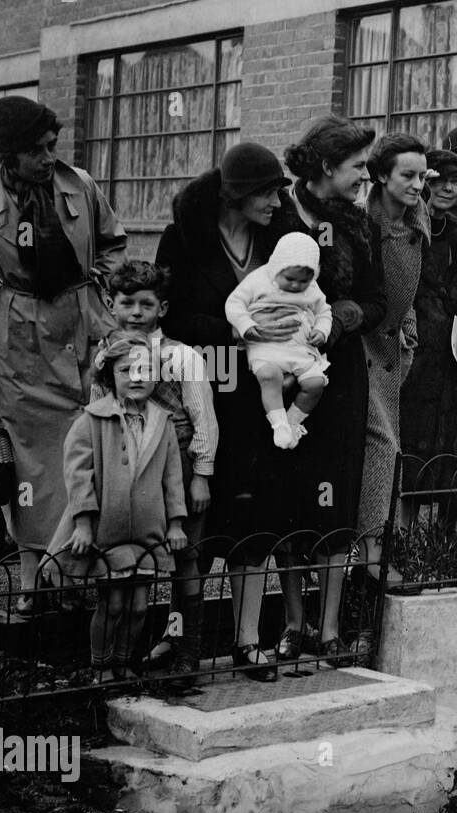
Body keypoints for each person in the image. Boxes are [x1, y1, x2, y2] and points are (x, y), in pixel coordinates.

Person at [156, 141, 301, 681]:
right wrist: (240, 332)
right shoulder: (184, 239)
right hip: (202, 396)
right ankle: (182, 644)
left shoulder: (276, 240)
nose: (276, 201)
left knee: (253, 516)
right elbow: (170, 319)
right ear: (236, 194)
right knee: (195, 525)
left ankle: (247, 641)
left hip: (261, 398)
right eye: (267, 192)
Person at [0, 96, 126, 613]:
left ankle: (76, 579)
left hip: (84, 331)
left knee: (88, 453)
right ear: (10, 154)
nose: (48, 157)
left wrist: (100, 290)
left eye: (52, 146)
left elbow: (113, 242)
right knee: (32, 469)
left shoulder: (80, 185)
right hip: (20, 345)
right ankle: (29, 586)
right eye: (37, 150)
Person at [281, 115, 387, 665]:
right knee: (293, 497)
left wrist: (348, 315)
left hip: (342, 375)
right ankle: (293, 624)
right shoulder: (280, 214)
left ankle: (328, 630)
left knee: (334, 497)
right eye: (357, 167)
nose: (365, 177)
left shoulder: (358, 224)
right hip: (286, 377)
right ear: (326, 167)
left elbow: (379, 302)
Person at [44, 331, 186, 683]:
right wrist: (82, 523)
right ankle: (101, 666)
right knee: (113, 604)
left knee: (139, 607)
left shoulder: (163, 422)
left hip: (147, 532)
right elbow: (78, 477)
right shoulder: (92, 420)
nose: (137, 377)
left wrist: (176, 524)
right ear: (111, 376)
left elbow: (172, 478)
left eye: (145, 370)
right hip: (108, 531)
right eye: (127, 370)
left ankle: (124, 664)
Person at [104, 261, 217, 691]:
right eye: (126, 302)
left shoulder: (180, 355)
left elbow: (203, 416)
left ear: (162, 308)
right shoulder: (108, 355)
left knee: (183, 559)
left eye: (145, 304)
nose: (135, 311)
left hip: (179, 467)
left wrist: (201, 473)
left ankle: (185, 648)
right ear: (112, 305)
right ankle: (122, 657)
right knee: (132, 558)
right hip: (128, 470)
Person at [402, 148, 457, 523]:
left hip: (447, 357)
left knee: (441, 448)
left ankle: (433, 546)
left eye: (455, 181)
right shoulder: (408, 225)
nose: (448, 188)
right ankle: (398, 540)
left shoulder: (456, 230)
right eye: (439, 181)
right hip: (414, 353)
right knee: (407, 451)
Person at [360, 132, 431, 584]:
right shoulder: (360, 226)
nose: (418, 185)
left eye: (423, 176)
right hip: (358, 350)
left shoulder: (417, 226)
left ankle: (373, 555)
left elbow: (411, 296)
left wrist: (409, 332)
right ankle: (369, 554)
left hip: (391, 355)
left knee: (387, 448)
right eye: (408, 175)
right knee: (379, 446)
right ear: (382, 175)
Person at [224, 232, 333, 450]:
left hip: (300, 348)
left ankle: (292, 422)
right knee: (269, 376)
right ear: (276, 268)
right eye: (290, 279)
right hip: (267, 347)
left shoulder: (312, 288)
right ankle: (278, 423)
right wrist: (247, 326)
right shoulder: (259, 279)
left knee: (315, 384)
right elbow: (234, 303)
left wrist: (321, 331)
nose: (295, 286)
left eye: (303, 281)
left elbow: (324, 311)